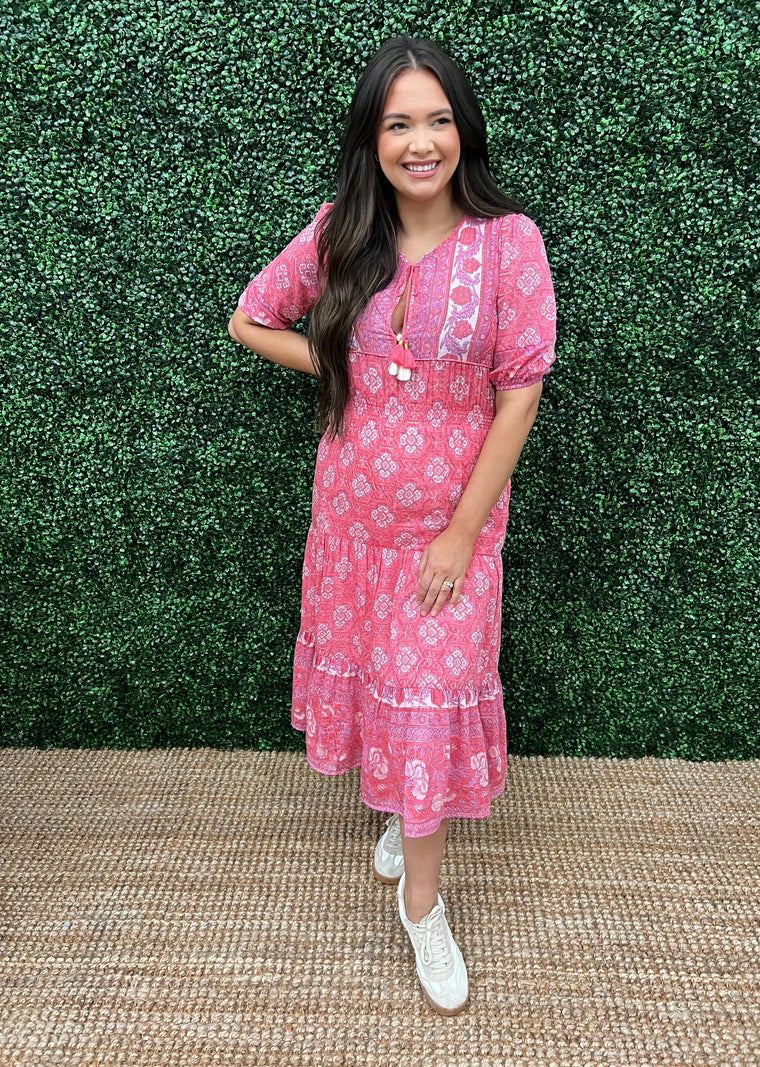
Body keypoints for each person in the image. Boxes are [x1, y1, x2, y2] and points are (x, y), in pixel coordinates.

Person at [228, 36, 556, 1016]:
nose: (421, 142)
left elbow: (520, 391)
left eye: (438, 120)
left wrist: (461, 532)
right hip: (352, 521)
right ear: (371, 140)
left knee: (431, 687)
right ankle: (403, 816)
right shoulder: (344, 230)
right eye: (399, 123)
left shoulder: (509, 243)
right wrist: (342, 367)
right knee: (386, 678)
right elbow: (250, 318)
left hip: (450, 530)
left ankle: (422, 906)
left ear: (463, 130)